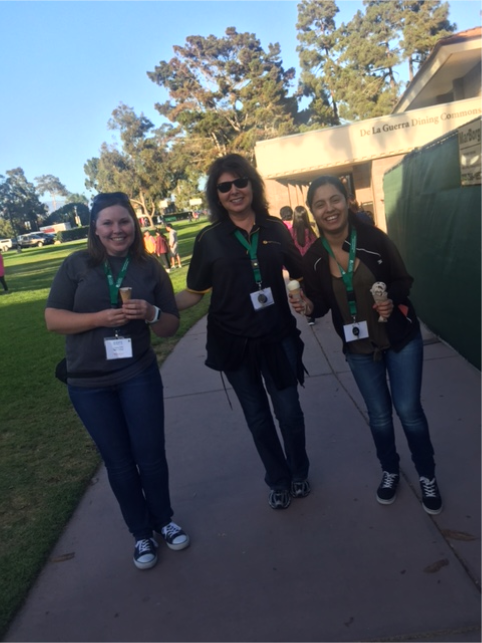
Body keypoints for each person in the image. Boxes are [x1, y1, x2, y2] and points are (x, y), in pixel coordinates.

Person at [45, 191, 190, 570]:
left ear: (135, 224)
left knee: (151, 456)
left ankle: (164, 520)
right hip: (88, 385)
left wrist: (152, 311)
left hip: (136, 375)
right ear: (95, 228)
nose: (117, 230)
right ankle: (141, 534)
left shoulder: (149, 268)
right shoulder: (77, 265)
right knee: (120, 464)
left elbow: (168, 328)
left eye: (123, 221)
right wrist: (98, 319)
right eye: (108, 223)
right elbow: (52, 319)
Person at [290, 176, 442, 515]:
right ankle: (390, 471)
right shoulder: (314, 257)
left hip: (400, 339)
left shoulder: (374, 240)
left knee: (408, 411)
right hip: (359, 349)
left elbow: (404, 280)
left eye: (335, 200)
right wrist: (308, 306)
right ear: (313, 211)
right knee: (379, 417)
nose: (329, 208)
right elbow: (320, 301)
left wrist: (391, 298)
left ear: (347, 201)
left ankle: (427, 475)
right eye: (320, 203)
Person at [175, 154, 310, 510]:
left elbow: (298, 272)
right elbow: (194, 292)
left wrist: (305, 296)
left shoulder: (274, 229)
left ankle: (299, 473)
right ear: (216, 195)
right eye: (224, 186)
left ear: (252, 184)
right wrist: (154, 306)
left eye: (240, 182)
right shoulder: (209, 239)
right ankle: (278, 479)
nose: (234, 190)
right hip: (233, 343)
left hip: (277, 336)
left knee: (290, 413)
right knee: (258, 418)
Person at [290, 206, 317, 325]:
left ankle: (305, 311)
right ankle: (311, 314)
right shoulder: (310, 231)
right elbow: (316, 248)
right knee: (310, 289)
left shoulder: (290, 232)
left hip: (296, 268)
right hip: (309, 268)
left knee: (300, 291)